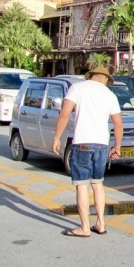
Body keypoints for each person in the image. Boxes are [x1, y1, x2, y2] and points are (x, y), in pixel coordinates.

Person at [52, 67, 123, 237]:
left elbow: (64, 114)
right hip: (101, 145)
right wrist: (117, 147)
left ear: (90, 76)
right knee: (98, 184)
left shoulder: (77, 88)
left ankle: (84, 227)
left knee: (82, 185)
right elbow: (118, 124)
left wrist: (56, 138)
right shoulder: (110, 95)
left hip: (82, 143)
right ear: (105, 79)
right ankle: (100, 223)